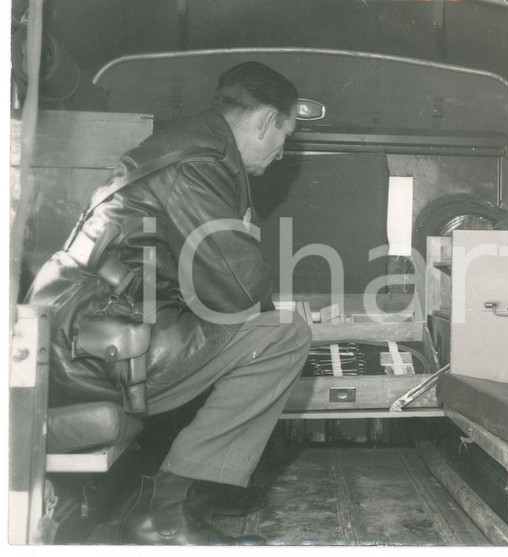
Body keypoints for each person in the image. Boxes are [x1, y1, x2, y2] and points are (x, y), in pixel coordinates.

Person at [25, 62, 312, 545]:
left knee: (233, 333)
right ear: (264, 122)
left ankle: (195, 491)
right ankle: (165, 512)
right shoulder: (198, 163)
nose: (281, 153)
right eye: (282, 135)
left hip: (91, 332)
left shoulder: (195, 147)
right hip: (90, 345)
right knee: (283, 335)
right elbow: (240, 290)